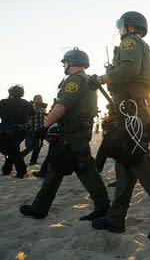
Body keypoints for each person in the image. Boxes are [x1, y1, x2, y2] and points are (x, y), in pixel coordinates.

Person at [88, 11, 150, 241]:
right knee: (126, 163)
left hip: (131, 111)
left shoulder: (131, 41)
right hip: (133, 108)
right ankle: (115, 219)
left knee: (138, 162)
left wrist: (101, 79)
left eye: (121, 26)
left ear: (129, 26)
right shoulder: (141, 44)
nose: (119, 30)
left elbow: (128, 70)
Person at [19, 48, 110, 221]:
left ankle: (102, 206)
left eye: (65, 62)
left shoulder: (75, 80)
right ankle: (40, 208)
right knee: (59, 167)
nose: (64, 65)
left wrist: (43, 127)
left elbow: (61, 107)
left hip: (73, 134)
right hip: (76, 132)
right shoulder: (87, 80)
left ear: (72, 63)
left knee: (83, 168)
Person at [0, 85, 34, 178]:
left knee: (12, 150)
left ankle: (22, 171)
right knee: (13, 148)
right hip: (23, 130)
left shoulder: (4, 102)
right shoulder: (27, 103)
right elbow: (32, 116)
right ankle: (7, 169)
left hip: (8, 130)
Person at [20, 95, 47, 166]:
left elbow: (44, 118)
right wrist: (37, 106)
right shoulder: (31, 106)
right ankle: (20, 156)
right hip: (32, 129)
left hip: (40, 130)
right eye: (37, 99)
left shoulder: (43, 109)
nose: (39, 100)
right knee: (31, 145)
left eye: (40, 99)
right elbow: (32, 114)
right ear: (34, 100)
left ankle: (33, 161)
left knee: (39, 146)